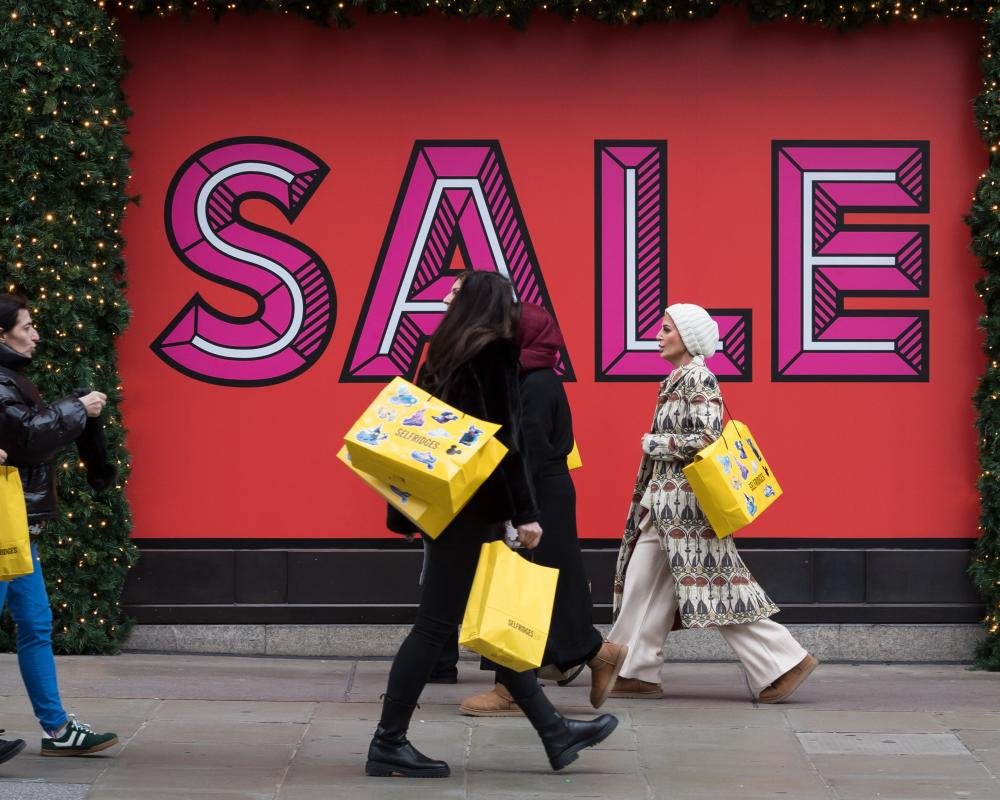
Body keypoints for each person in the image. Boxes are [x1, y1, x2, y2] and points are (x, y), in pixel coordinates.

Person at [366, 272, 618, 778]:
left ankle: (554, 731)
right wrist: (523, 513)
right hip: (473, 513)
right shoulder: (494, 352)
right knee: (433, 627)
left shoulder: (442, 351)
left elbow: (420, 429)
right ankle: (387, 742)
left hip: (447, 505)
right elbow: (504, 445)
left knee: (485, 620)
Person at [607, 303, 818, 703]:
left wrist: (657, 444)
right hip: (665, 506)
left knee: (720, 587)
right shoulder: (678, 378)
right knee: (642, 586)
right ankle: (636, 669)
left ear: (686, 337)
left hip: (687, 509)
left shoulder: (699, 379)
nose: (658, 335)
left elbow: (706, 437)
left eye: (666, 329)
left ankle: (784, 663)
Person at [458, 303, 627, 716]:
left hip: (538, 495)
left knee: (518, 589)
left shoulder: (534, 384)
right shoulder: (531, 377)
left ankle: (512, 687)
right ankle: (595, 654)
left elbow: (527, 452)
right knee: (547, 587)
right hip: (543, 492)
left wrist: (518, 510)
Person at [0, 294, 119, 756]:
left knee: (36, 624)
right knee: (33, 625)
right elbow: (29, 435)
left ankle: (57, 729)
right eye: (27, 327)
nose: (35, 335)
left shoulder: (13, 379)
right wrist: (77, 407)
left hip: (18, 527)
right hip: (6, 526)